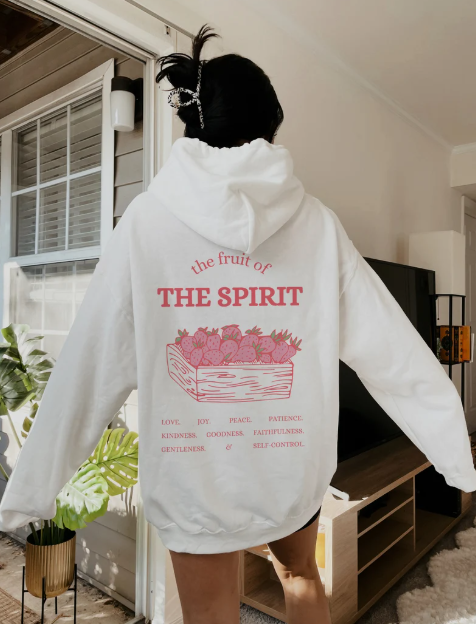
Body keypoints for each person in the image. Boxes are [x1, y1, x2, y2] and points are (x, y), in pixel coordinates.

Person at [1, 24, 475, 624]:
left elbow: (89, 363)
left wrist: (32, 488)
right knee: (301, 578)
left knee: (210, 613)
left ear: (192, 121)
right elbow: (392, 349)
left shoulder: (146, 222)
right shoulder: (316, 224)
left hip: (193, 476)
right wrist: (453, 453)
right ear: (269, 127)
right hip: (290, 469)